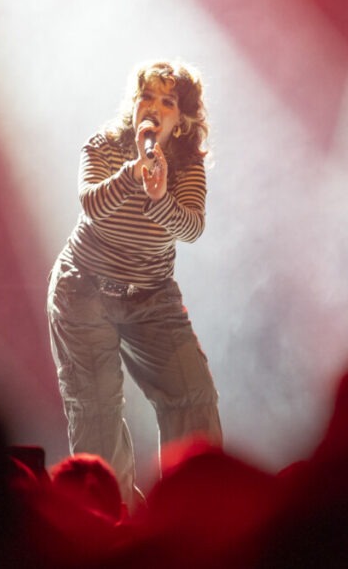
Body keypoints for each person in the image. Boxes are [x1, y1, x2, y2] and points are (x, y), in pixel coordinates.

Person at [46, 59, 222, 506]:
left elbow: (192, 227)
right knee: (98, 414)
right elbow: (91, 204)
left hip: (151, 296)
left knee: (191, 394)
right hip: (83, 290)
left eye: (168, 101)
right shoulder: (103, 145)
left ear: (182, 119)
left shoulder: (187, 163)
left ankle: (194, 515)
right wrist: (132, 174)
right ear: (134, 103)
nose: (155, 108)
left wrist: (161, 196)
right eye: (148, 96)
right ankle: (114, 528)